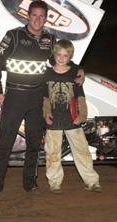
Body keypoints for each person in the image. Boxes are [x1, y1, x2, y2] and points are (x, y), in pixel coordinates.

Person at [0, 0, 84, 196]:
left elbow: (63, 61)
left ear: (46, 19)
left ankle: (30, 182)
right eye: (34, 15)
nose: (37, 19)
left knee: (33, 143)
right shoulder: (13, 35)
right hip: (14, 96)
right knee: (5, 142)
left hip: (38, 98)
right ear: (27, 16)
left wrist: (79, 69)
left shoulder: (50, 39)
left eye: (42, 16)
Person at [42, 39, 101, 194]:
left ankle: (92, 181)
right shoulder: (47, 74)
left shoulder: (75, 74)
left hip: (72, 119)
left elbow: (80, 97)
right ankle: (54, 183)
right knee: (53, 152)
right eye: (59, 55)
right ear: (54, 55)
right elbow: (45, 98)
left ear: (70, 57)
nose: (61, 58)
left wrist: (82, 116)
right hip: (54, 120)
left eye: (65, 55)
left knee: (82, 151)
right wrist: (46, 113)